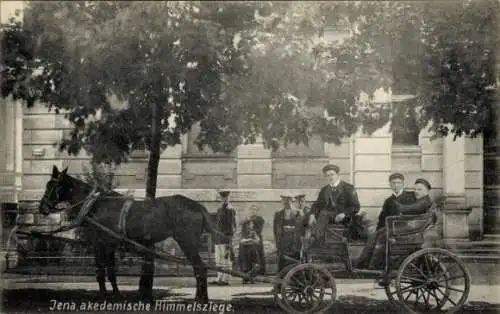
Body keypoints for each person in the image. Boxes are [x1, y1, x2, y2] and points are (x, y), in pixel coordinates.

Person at [355, 173, 417, 269]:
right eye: (393, 183)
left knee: (380, 238)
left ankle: (373, 265)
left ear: (403, 184)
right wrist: (377, 228)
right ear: (390, 185)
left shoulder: (410, 197)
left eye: (398, 183)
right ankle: (362, 263)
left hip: (404, 229)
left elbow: (414, 214)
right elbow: (382, 217)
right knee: (373, 236)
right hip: (389, 228)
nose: (396, 185)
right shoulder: (389, 200)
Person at [308, 164, 361, 241]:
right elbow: (317, 204)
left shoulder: (348, 188)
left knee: (323, 213)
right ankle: (299, 245)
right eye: (327, 175)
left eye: (332, 174)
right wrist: (312, 214)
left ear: (338, 175)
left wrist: (344, 214)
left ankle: (313, 238)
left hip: (344, 218)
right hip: (328, 217)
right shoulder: (324, 190)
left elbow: (356, 207)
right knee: (306, 217)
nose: (330, 177)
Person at [211, 190, 236, 286]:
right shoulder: (220, 208)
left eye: (225, 197)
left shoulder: (230, 209)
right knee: (218, 259)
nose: (224, 199)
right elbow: (217, 224)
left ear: (228, 198)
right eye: (222, 197)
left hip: (225, 237)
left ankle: (226, 279)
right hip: (218, 238)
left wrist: (229, 239)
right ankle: (219, 278)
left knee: (226, 259)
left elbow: (232, 226)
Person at [274, 191, 302, 272]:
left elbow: (300, 228)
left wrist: (291, 229)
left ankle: (295, 276)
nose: (287, 203)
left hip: (294, 240)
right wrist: (277, 242)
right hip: (283, 240)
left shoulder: (298, 213)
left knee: (294, 260)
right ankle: (282, 277)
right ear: (282, 201)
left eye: (288, 200)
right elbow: (276, 230)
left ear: (292, 201)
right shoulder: (278, 213)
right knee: (283, 259)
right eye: (285, 200)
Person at [238, 205, 266, 281]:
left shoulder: (260, 219)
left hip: (256, 239)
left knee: (256, 255)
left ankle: (257, 273)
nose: (253, 211)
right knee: (244, 253)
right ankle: (245, 273)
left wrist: (252, 235)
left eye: (255, 210)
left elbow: (258, 230)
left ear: (257, 211)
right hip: (247, 241)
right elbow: (241, 226)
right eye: (252, 210)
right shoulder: (247, 219)